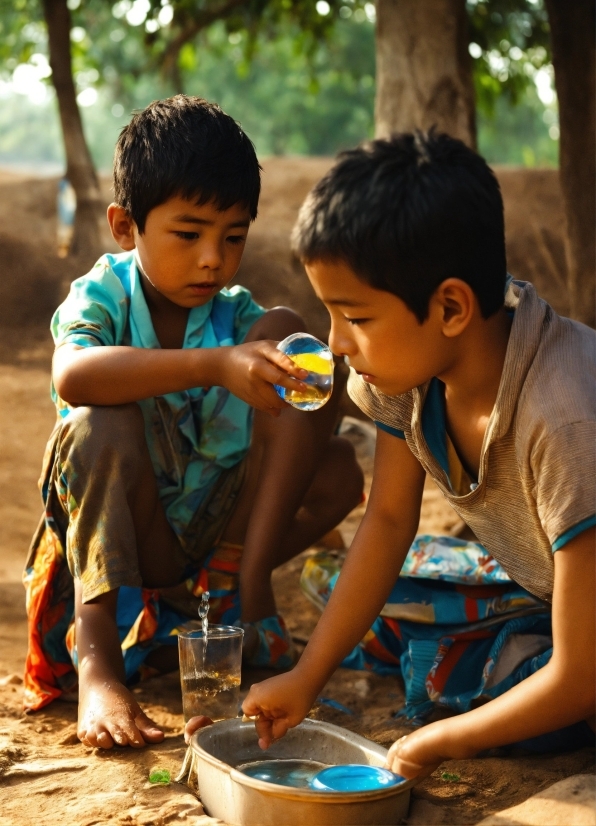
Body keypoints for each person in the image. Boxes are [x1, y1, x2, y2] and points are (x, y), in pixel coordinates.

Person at [241, 131, 595, 777]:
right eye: (330, 314)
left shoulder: (567, 419)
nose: (337, 344)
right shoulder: (405, 376)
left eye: (357, 318)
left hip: (586, 656)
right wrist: (305, 677)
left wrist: (445, 740)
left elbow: (581, 675)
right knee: (388, 601)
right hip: (559, 593)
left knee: (522, 693)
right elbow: (387, 521)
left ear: (451, 307)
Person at [23, 95, 364, 750]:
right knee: (98, 425)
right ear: (126, 227)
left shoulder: (236, 318)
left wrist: (316, 380)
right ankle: (100, 663)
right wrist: (211, 366)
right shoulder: (102, 295)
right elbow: (74, 376)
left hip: (218, 538)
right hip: (131, 536)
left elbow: (317, 409)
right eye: (190, 234)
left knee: (305, 378)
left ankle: (251, 585)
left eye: (233, 236)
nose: (214, 258)